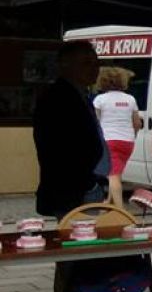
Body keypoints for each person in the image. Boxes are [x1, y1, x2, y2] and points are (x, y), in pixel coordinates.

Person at [33, 41, 107, 218]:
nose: (94, 68)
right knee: (80, 238)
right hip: (73, 188)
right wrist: (89, 182)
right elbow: (59, 147)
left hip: (85, 184)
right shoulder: (58, 97)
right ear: (66, 65)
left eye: (96, 63)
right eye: (86, 63)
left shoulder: (81, 94)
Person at [93, 66, 142, 208]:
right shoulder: (130, 99)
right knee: (116, 173)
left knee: (113, 176)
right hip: (127, 141)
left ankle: (120, 210)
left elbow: (95, 123)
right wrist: (133, 136)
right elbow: (137, 123)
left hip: (108, 141)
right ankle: (108, 203)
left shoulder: (100, 99)